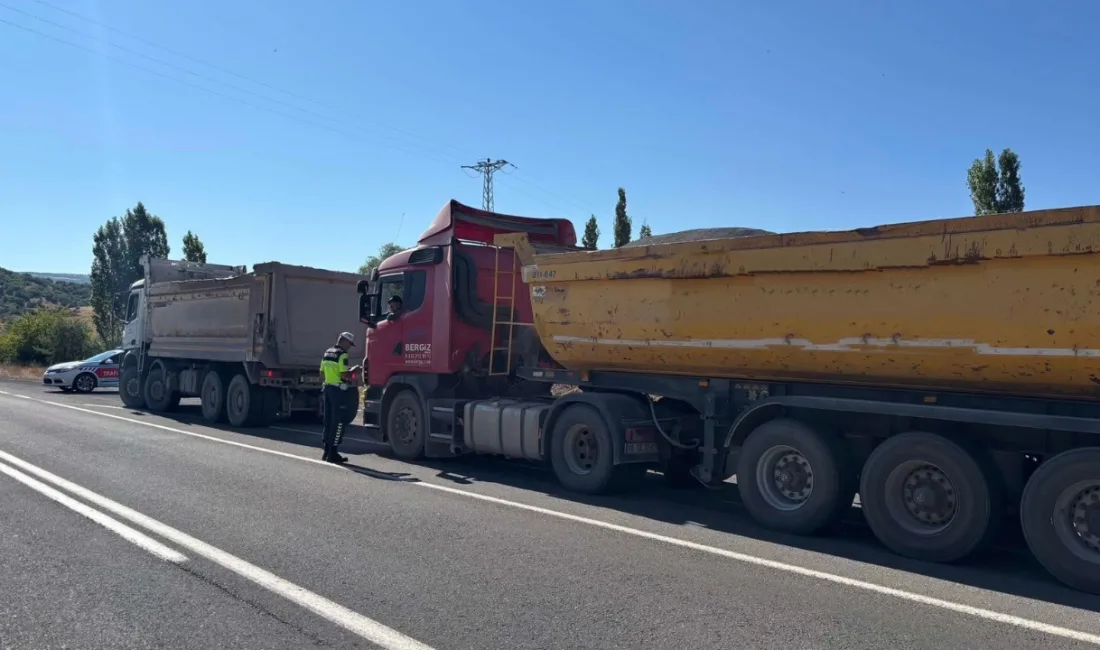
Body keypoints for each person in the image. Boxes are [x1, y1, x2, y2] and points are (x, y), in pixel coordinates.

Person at [320, 331, 359, 463]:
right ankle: (333, 453)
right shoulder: (342, 355)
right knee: (339, 422)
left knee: (328, 419)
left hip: (327, 388)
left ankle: (326, 451)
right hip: (338, 391)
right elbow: (344, 375)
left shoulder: (327, 352)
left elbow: (321, 374)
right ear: (343, 340)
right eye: (349, 344)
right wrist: (354, 371)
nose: (349, 347)